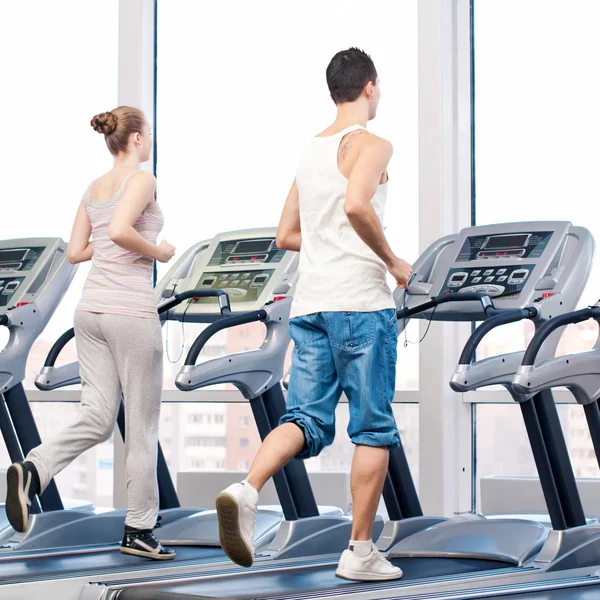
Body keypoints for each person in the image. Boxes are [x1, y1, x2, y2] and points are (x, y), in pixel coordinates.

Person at [216, 48, 412, 581]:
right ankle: (359, 552)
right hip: (361, 306)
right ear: (370, 88)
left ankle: (246, 489)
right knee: (372, 428)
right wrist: (394, 262)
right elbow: (356, 204)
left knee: (303, 418)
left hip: (312, 307)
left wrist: (330, 243)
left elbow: (286, 236)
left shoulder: (310, 152)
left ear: (334, 91)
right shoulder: (373, 144)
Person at [5, 106, 177, 561]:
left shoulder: (93, 188)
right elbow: (120, 231)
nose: (151, 141)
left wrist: (112, 239)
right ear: (136, 139)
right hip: (130, 312)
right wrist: (157, 250)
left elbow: (79, 249)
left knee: (98, 416)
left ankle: (34, 470)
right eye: (150, 134)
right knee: (140, 427)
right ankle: (139, 529)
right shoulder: (142, 180)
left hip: (91, 312)